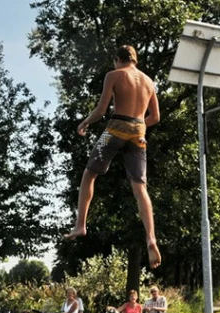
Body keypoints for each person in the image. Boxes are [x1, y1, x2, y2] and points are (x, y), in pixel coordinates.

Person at [64, 45, 161, 268]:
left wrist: (84, 123)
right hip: (138, 134)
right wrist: (138, 127)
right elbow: (155, 116)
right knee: (140, 188)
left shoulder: (114, 75)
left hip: (114, 130)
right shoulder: (148, 82)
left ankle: (80, 224)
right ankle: (151, 237)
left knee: (89, 174)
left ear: (118, 59)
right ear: (135, 60)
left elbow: (100, 110)